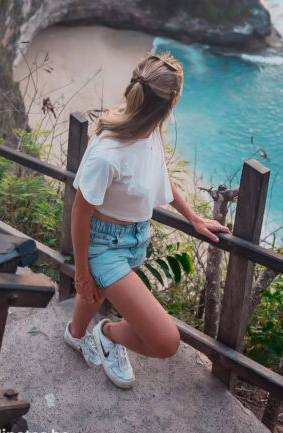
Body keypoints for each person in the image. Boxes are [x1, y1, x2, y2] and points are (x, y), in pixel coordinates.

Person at [63, 51, 230, 388]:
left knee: (96, 294)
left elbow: (157, 171)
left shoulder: (148, 128)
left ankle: (75, 334)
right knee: (166, 341)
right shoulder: (108, 154)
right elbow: (80, 211)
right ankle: (108, 334)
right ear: (170, 106)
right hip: (103, 244)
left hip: (136, 236)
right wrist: (82, 273)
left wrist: (194, 217)